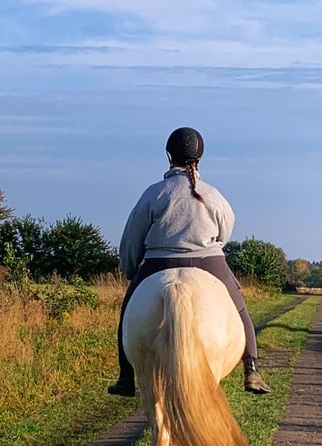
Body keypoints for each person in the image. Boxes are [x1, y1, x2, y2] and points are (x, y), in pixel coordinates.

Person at [108, 127, 271, 397]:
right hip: (209, 261)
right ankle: (251, 369)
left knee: (128, 310)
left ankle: (126, 377)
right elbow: (225, 230)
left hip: (158, 263)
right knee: (240, 309)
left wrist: (130, 269)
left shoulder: (154, 193)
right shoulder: (213, 194)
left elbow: (132, 237)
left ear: (168, 156)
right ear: (200, 157)